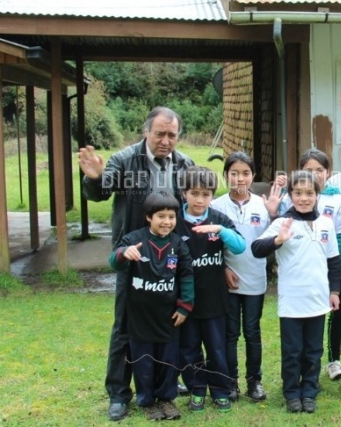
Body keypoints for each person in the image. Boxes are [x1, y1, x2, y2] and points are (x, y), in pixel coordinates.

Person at [79, 107, 194, 421]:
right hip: (133, 259)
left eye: (172, 135)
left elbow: (196, 204)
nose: (166, 141)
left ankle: (166, 382)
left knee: (170, 323)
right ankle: (119, 392)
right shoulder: (124, 160)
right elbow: (101, 192)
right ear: (147, 132)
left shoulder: (185, 164)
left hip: (171, 259)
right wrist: (95, 178)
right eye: (160, 134)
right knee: (125, 328)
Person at [251, 170, 341, 414]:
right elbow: (256, 248)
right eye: (298, 193)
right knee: (292, 352)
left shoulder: (326, 224)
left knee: (314, 351)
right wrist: (277, 241)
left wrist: (334, 291)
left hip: (318, 301)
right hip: (292, 303)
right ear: (290, 195)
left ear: (317, 195)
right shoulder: (282, 223)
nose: (304, 198)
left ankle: (309, 391)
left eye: (309, 193)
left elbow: (333, 261)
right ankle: (291, 392)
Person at [108, 192, 194, 421]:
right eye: (161, 216)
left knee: (168, 360)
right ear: (148, 217)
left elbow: (186, 275)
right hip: (140, 318)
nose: (167, 221)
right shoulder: (134, 240)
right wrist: (123, 254)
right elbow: (113, 261)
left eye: (171, 216)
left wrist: (185, 307)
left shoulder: (178, 244)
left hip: (168, 317)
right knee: (143, 362)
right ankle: (146, 401)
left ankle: (166, 398)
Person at [210, 151, 282, 403]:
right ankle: (231, 382)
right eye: (234, 173)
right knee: (230, 333)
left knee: (252, 331)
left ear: (253, 176)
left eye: (245, 173)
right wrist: (223, 270)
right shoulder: (216, 207)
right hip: (228, 281)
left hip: (255, 280)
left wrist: (273, 214)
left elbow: (276, 238)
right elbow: (210, 247)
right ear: (226, 176)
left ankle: (255, 381)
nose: (240, 179)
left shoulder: (263, 206)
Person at [175, 166, 246, 412]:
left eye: (206, 194)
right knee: (189, 349)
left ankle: (220, 390)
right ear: (184, 193)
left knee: (217, 348)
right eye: (194, 193)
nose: (200, 199)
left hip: (216, 301)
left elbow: (240, 247)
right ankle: (196, 389)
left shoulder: (219, 219)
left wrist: (221, 231)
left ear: (212, 196)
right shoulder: (174, 221)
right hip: (186, 303)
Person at [280, 149, 341, 381]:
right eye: (308, 170)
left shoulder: (338, 200)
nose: (314, 174)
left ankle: (331, 363)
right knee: (295, 342)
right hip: (296, 283)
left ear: (328, 173)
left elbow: (338, 241)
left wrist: (333, 280)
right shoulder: (288, 201)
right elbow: (279, 237)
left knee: (329, 320)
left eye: (319, 170)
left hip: (327, 274)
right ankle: (293, 385)